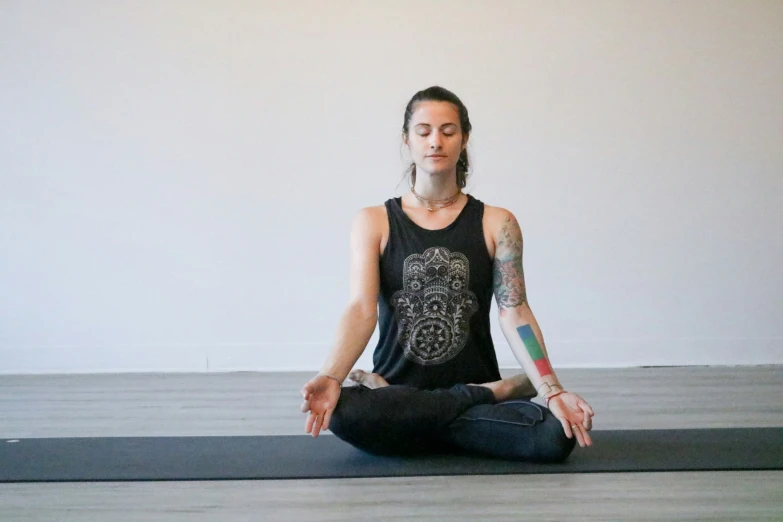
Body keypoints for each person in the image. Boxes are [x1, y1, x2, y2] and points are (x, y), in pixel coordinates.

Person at [300, 86, 595, 462]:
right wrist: (330, 377)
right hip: (404, 390)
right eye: (423, 131)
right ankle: (489, 399)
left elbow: (515, 311)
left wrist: (551, 389)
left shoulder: (497, 222)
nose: (435, 141)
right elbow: (361, 309)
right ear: (407, 140)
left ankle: (419, 427)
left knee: (555, 436)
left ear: (465, 138)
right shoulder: (373, 221)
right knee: (343, 412)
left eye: (448, 131)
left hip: (404, 402)